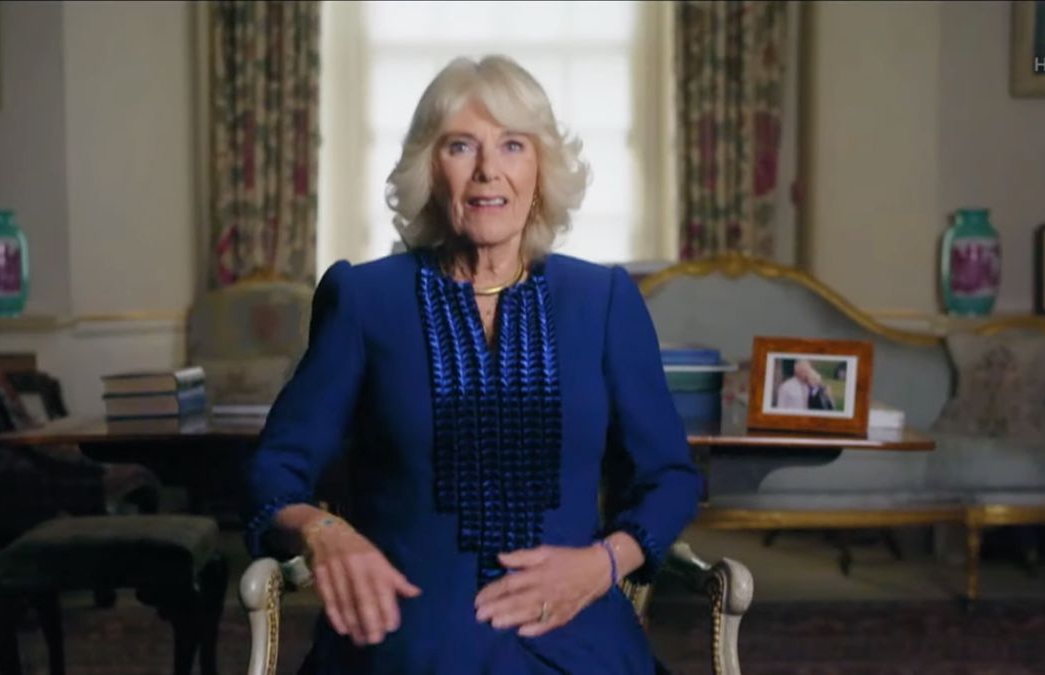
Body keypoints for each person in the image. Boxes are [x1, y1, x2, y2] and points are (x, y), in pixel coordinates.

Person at [243, 55, 702, 675]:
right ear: (430, 170)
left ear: (540, 170)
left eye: (513, 146)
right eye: (461, 146)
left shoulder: (603, 301)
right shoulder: (364, 300)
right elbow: (274, 468)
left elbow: (670, 476)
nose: (489, 171)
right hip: (407, 641)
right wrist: (323, 531)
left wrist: (605, 563)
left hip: (573, 634)